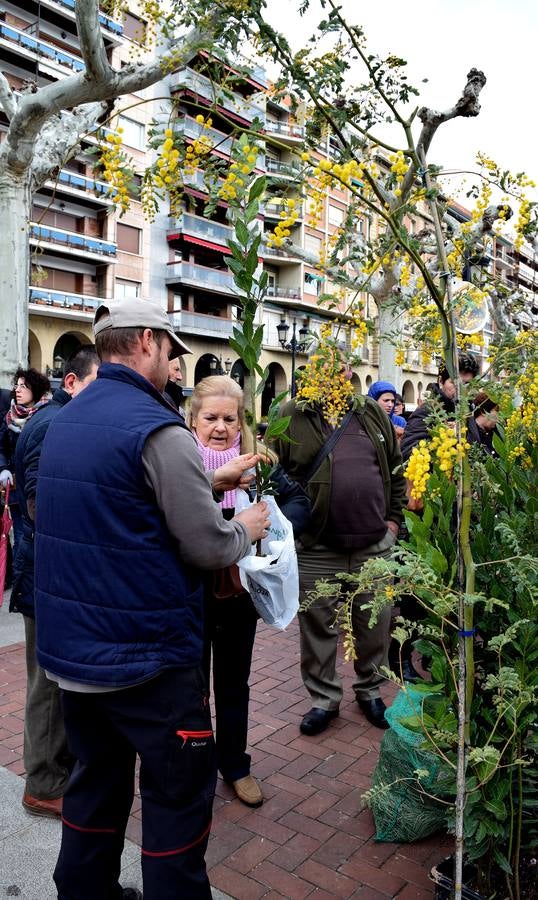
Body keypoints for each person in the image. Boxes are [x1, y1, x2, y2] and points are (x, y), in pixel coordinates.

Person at [33, 297, 270, 900]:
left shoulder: (65, 420)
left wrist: (207, 480)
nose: (173, 367)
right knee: (176, 804)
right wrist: (249, 527)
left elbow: (114, 502)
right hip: (149, 663)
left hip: (76, 661)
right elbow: (208, 546)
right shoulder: (157, 427)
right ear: (145, 341)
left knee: (96, 786)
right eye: (170, 352)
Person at [189, 376, 311, 808]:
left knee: (234, 683)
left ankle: (235, 766)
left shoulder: (259, 462)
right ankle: (196, 765)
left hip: (240, 594)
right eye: (210, 418)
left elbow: (300, 503)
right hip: (193, 594)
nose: (220, 427)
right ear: (193, 419)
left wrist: (271, 515)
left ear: (241, 421)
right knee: (192, 686)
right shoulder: (180, 461)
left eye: (229, 418)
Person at [275, 360, 406, 733]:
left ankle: (370, 690)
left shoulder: (368, 412)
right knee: (318, 627)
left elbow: (394, 469)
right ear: (311, 375)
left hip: (372, 545)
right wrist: (292, 530)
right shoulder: (292, 414)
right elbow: (274, 473)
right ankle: (323, 699)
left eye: (341, 368)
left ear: (348, 373)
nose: (337, 375)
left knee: (375, 624)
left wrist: (392, 525)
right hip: (317, 546)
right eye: (325, 368)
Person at [12, 346, 99, 820]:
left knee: (52, 679)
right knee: (47, 682)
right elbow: (39, 507)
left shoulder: (60, 421)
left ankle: (53, 772)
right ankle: (43, 784)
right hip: (45, 576)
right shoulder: (53, 426)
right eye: (96, 384)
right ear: (70, 383)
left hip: (50, 575)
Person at [0, 367, 50, 554]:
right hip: (15, 489)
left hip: (38, 488)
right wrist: (3, 468)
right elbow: (1, 447)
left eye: (24, 386)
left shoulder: (46, 415)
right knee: (20, 536)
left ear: (35, 389)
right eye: (17, 385)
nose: (18, 390)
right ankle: (20, 578)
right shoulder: (9, 416)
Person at [401, 354, 480, 461]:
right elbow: (408, 452)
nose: (461, 389)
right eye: (455, 383)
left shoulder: (468, 411)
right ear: (441, 381)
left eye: (467, 384)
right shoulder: (427, 411)